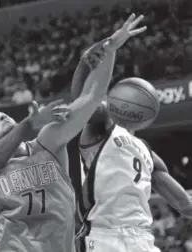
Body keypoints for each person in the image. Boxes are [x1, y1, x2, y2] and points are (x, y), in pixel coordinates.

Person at [0, 14, 145, 252]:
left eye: (4, 114)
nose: (2, 117)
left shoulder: (47, 143)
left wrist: (110, 49)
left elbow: (91, 98)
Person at [72, 14, 192, 252]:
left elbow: (185, 205)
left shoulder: (147, 152)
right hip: (103, 236)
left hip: (142, 239)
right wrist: (100, 53)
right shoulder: (102, 127)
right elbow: (82, 101)